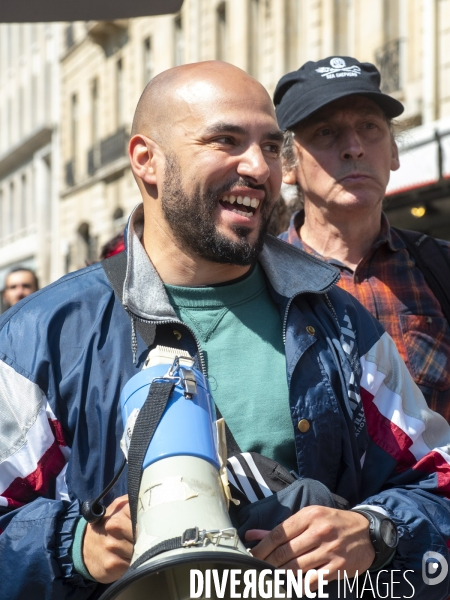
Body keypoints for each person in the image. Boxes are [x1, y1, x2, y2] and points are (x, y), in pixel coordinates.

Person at [0, 61, 449, 600]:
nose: (258, 167)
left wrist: (376, 530)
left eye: (269, 145)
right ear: (147, 161)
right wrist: (76, 547)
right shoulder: (43, 337)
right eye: (226, 141)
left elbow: (436, 480)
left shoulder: (337, 322)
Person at [276, 56, 450, 421]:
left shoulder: (439, 269)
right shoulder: (261, 282)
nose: (353, 147)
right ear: (288, 165)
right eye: (326, 131)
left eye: (369, 126)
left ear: (394, 152)